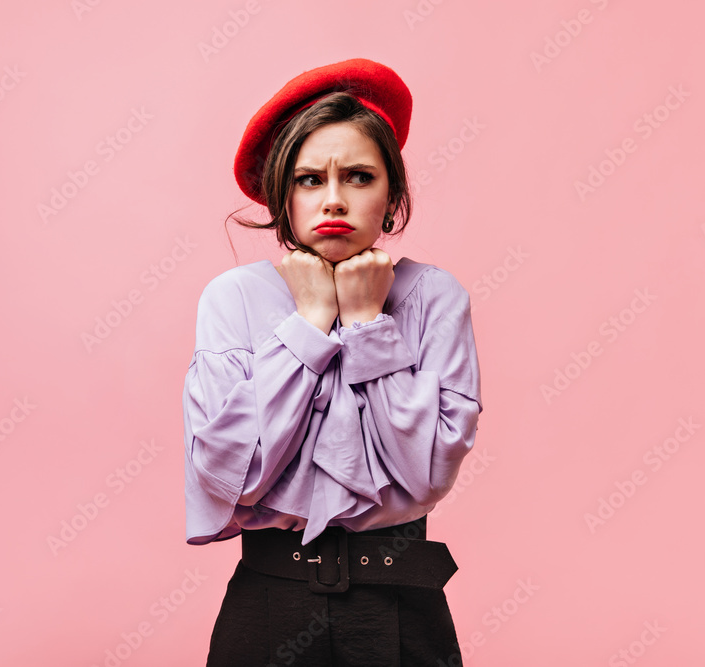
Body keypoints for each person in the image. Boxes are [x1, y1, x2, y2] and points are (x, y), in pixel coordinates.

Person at [183, 57, 483, 666]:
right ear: (281, 194)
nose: (334, 199)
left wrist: (370, 323)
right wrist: (311, 323)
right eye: (309, 180)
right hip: (269, 610)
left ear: (392, 193)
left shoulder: (434, 296)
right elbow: (229, 477)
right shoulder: (232, 297)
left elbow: (425, 472)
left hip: (403, 611)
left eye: (359, 176)